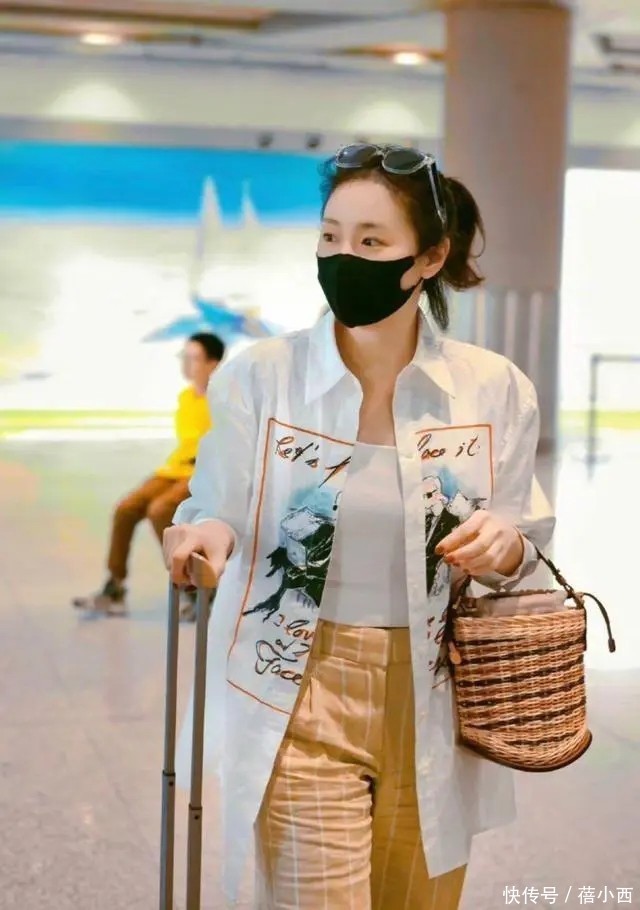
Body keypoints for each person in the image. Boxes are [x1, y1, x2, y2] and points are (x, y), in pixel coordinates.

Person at [164, 144, 555, 910]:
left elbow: (525, 541)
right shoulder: (262, 377)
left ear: (429, 258)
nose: (344, 258)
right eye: (330, 236)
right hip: (297, 687)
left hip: (438, 695)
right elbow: (216, 504)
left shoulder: (491, 389)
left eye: (372, 241)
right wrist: (203, 534)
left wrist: (506, 546)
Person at [74, 332, 225, 618]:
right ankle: (115, 587)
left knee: (161, 510)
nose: (186, 364)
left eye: (194, 358)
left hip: (203, 471)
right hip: (175, 469)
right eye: (184, 357)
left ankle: (196, 586)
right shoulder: (186, 397)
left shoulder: (224, 400)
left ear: (213, 363)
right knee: (126, 508)